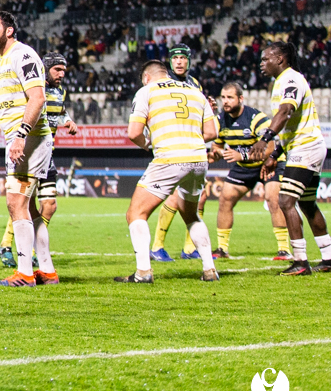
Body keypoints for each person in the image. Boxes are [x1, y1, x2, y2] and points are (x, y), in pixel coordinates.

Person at [118, 61, 218, 284]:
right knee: (191, 214)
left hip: (170, 157)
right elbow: (211, 132)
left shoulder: (147, 91)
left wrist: (149, 145)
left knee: (136, 213)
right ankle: (209, 270)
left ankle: (143, 272)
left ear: (146, 77)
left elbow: (134, 133)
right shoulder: (195, 92)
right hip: (199, 159)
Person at [0, 11, 58, 287]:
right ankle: (46, 271)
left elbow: (37, 98)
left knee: (16, 203)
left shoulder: (23, 55)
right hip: (18, 140)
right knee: (30, 209)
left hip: (31, 139)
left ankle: (25, 273)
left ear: (10, 30)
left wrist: (21, 135)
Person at [247, 41, 331, 275]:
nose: (261, 63)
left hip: (306, 147)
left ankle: (301, 262)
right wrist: (275, 154)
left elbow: (285, 113)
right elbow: (288, 128)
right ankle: (328, 257)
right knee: (306, 202)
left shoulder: (290, 79)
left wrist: (265, 139)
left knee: (285, 201)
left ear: (280, 59)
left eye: (265, 59)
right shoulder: (281, 82)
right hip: (301, 146)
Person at [0, 52, 76, 268]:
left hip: (47, 154)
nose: (61, 74)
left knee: (49, 205)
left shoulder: (60, 91)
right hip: (29, 151)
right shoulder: (32, 88)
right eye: (57, 70)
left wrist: (68, 120)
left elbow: (61, 109)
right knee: (22, 202)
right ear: (46, 68)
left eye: (64, 71)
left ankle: (31, 250)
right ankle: (6, 245)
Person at [207, 82, 290, 260]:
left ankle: (284, 250)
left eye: (230, 97)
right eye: (223, 97)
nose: (226, 101)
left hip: (269, 164)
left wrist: (241, 156)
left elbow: (269, 149)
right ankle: (222, 249)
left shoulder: (256, 118)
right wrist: (213, 155)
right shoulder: (220, 120)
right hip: (244, 167)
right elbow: (217, 147)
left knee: (273, 199)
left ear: (241, 99)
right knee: (225, 199)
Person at [148, 44, 211, 261]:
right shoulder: (163, 84)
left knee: (196, 200)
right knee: (177, 198)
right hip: (171, 146)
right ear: (170, 61)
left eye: (183, 57)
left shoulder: (195, 85)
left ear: (189, 60)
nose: (179, 61)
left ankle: (188, 248)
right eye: (175, 58)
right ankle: (157, 246)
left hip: (192, 148)